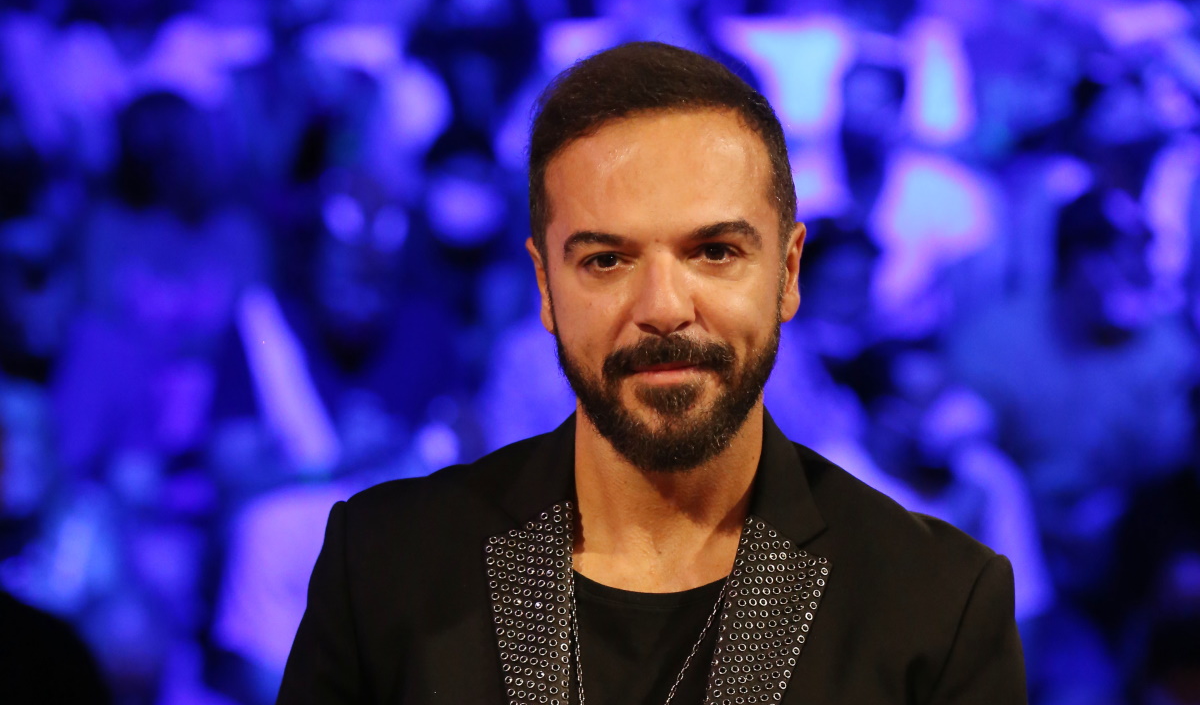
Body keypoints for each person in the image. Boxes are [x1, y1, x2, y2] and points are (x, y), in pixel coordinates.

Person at [276, 41, 1027, 705]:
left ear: (788, 272)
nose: (664, 308)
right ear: (544, 286)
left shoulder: (940, 605)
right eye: (607, 259)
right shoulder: (381, 573)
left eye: (714, 253)